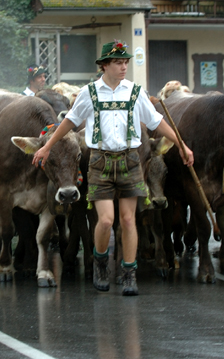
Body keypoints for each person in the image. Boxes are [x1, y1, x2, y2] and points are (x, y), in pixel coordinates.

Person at [31, 40, 194, 296]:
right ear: (105, 65)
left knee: (129, 220)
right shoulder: (89, 93)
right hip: (100, 161)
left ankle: (129, 273)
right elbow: (70, 122)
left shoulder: (136, 92)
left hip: (130, 160)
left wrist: (181, 144)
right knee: (106, 220)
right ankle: (100, 262)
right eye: (118, 62)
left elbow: (156, 122)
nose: (123, 67)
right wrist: (47, 146)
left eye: (126, 62)